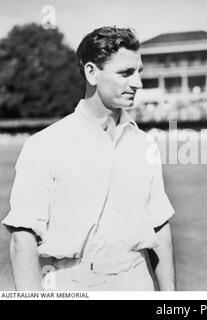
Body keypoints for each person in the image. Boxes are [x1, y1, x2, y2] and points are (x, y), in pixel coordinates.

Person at [2, 26, 175, 291]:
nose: (138, 82)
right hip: (71, 284)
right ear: (92, 73)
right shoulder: (45, 145)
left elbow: (160, 226)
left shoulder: (144, 144)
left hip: (137, 282)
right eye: (126, 73)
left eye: (139, 71)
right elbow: (22, 239)